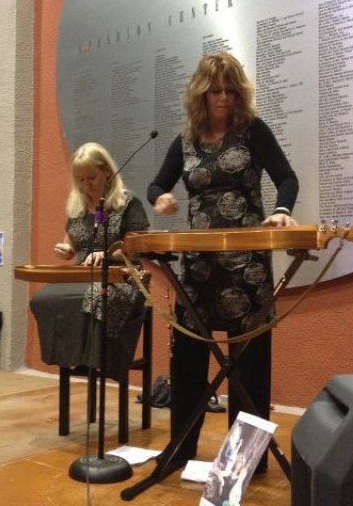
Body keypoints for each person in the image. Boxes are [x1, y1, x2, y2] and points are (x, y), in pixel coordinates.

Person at [147, 52, 299, 469]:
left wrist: (283, 209)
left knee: (249, 366)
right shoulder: (187, 140)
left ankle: (243, 462)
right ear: (201, 92)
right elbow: (158, 182)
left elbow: (287, 177)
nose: (224, 98)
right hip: (197, 268)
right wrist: (160, 196)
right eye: (216, 90)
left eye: (231, 90)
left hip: (246, 267)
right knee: (189, 360)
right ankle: (180, 449)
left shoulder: (253, 132)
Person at [30, 142, 149, 381]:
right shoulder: (78, 205)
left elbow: (138, 248)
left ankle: (96, 361)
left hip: (122, 275)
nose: (87, 185)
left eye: (91, 177)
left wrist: (107, 254)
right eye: (81, 180)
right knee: (43, 298)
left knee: (96, 296)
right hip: (84, 274)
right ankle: (70, 357)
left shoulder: (128, 203)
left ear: (107, 170)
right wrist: (66, 250)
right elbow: (72, 244)